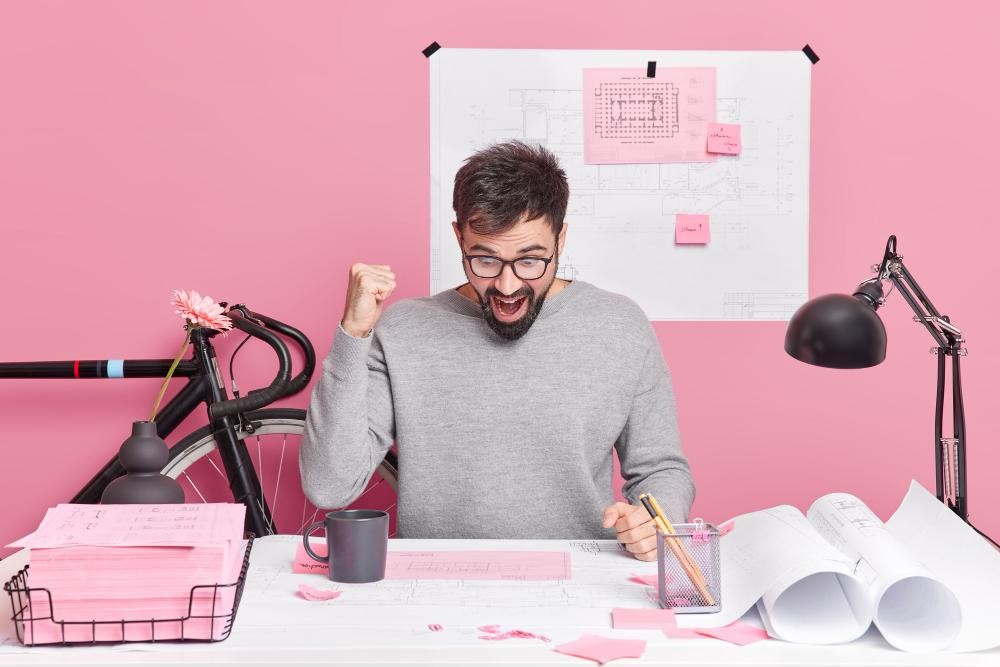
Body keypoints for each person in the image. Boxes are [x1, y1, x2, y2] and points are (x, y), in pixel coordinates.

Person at [301, 140, 694, 561]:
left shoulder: (618, 326)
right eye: (485, 260)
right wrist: (353, 334)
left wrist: (655, 521)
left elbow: (661, 469)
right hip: (436, 584)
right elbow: (329, 485)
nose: (507, 288)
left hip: (580, 579)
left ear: (561, 238)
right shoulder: (405, 330)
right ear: (459, 237)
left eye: (530, 261)